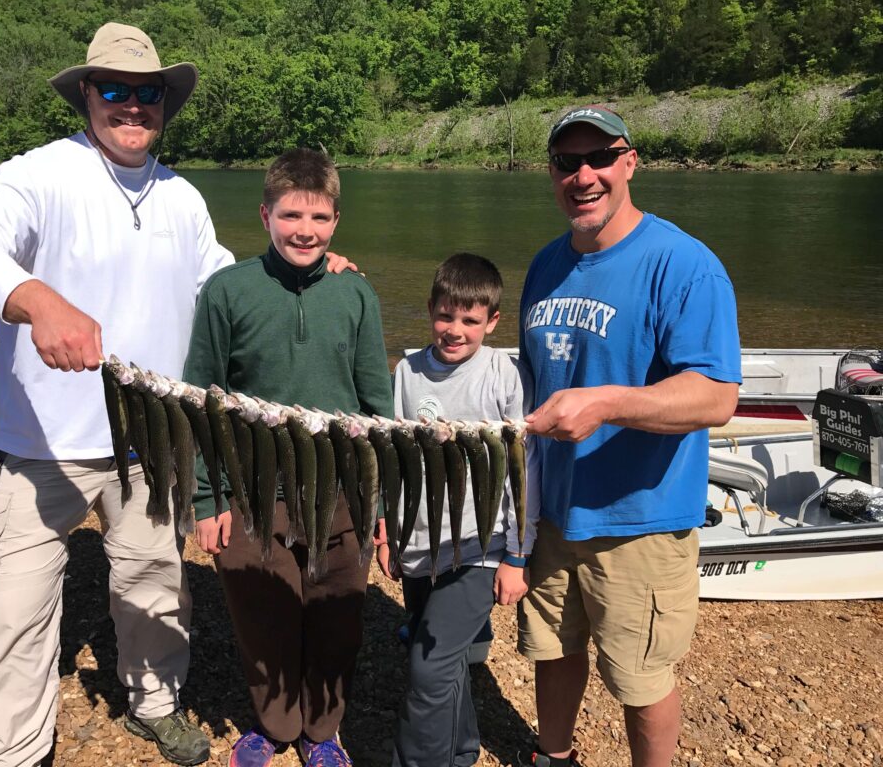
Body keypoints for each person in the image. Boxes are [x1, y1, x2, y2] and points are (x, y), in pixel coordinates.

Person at [0, 23, 355, 767]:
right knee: (18, 610)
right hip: (43, 448)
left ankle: (155, 705)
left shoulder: (180, 197)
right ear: (87, 95)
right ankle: (10, 754)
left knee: (156, 586)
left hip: (151, 446)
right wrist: (34, 298)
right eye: (115, 90)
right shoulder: (38, 174)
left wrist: (309, 275)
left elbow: (224, 287)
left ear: (165, 103)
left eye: (147, 93)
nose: (132, 106)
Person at [516, 106, 742, 767]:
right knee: (552, 650)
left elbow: (716, 396)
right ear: (552, 173)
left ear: (630, 162)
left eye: (600, 158)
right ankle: (551, 755)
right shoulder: (544, 266)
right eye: (566, 162)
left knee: (640, 680)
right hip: (553, 513)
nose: (583, 175)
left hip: (638, 520)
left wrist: (609, 403)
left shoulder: (684, 264)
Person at [183, 148, 394, 767]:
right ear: (265, 213)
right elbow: (203, 402)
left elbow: (375, 406)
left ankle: (322, 733)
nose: (306, 230)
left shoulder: (356, 294)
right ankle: (275, 727)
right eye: (292, 214)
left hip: (340, 493)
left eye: (321, 218)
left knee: (336, 621)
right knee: (264, 618)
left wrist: (378, 501)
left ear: (336, 222)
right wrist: (206, 495)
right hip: (251, 490)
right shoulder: (227, 291)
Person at [376, 253, 535, 767]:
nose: (454, 330)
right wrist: (389, 532)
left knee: (428, 665)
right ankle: (461, 751)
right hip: (419, 542)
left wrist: (517, 555)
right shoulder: (407, 372)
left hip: (480, 546)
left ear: (492, 321)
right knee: (445, 662)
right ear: (430, 310)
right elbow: (392, 459)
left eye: (470, 320)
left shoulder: (505, 376)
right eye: (446, 316)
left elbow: (523, 472)